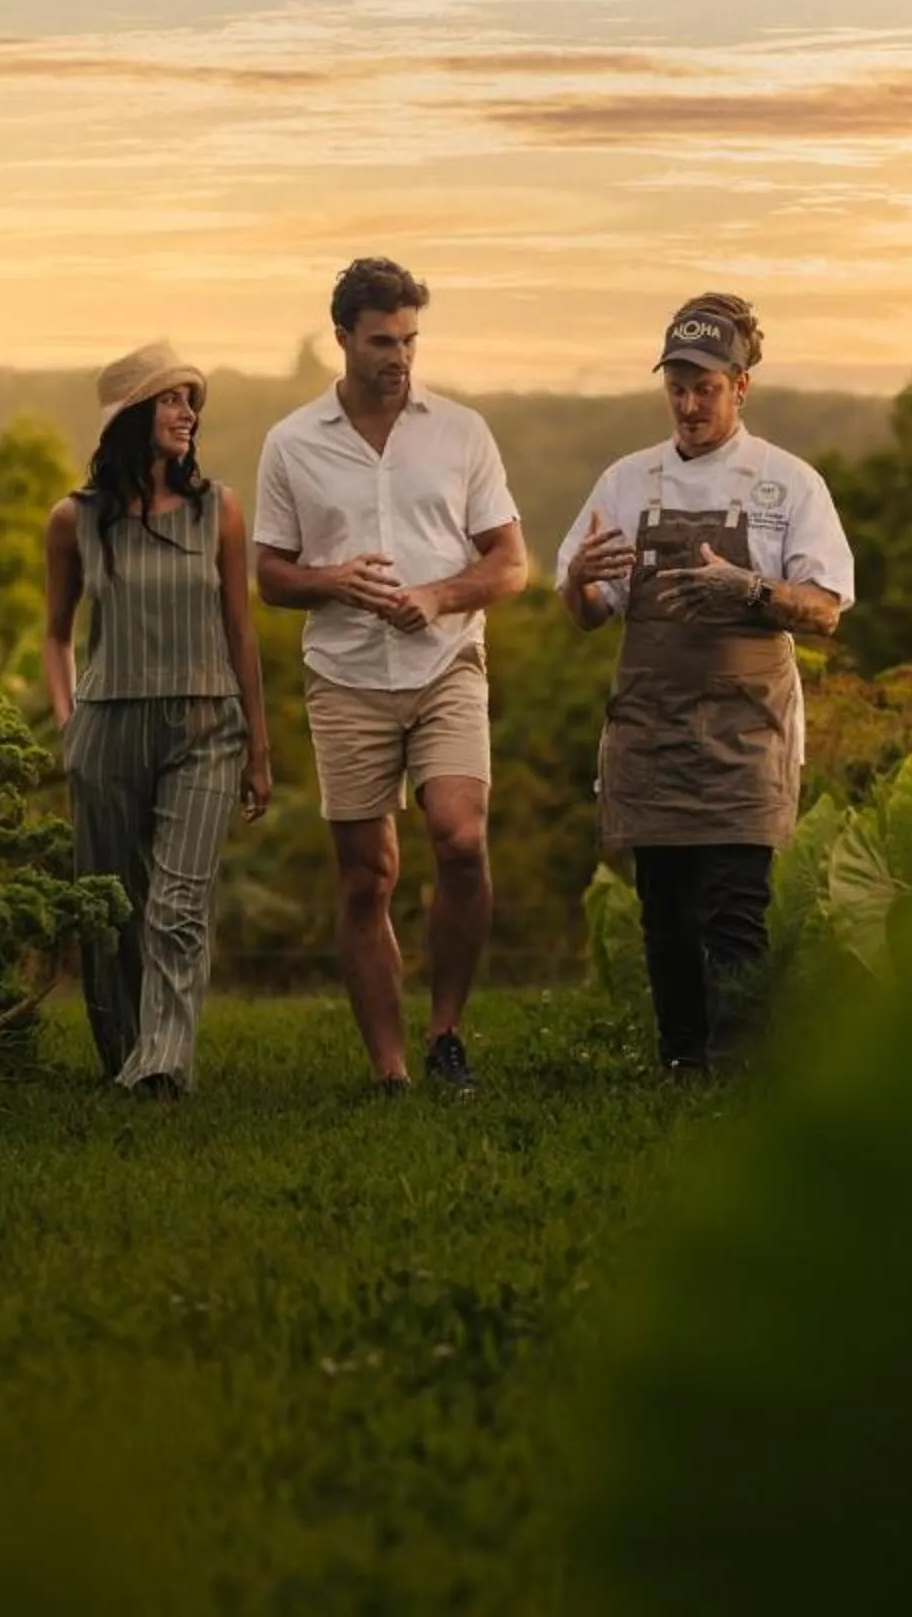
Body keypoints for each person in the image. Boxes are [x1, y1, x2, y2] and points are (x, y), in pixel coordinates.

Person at [555, 294, 854, 1077]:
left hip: (744, 729)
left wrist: (747, 591)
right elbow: (589, 614)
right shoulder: (627, 482)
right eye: (678, 388)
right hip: (650, 725)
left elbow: (824, 611)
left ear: (741, 385)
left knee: (733, 907)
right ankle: (683, 1063)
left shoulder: (789, 484)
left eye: (706, 388)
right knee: (667, 910)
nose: (689, 405)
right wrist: (578, 583)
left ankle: (742, 1068)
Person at [255, 257, 527, 1094]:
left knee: (461, 837)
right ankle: (391, 1068)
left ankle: (446, 1031)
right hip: (345, 678)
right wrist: (334, 582)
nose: (398, 356)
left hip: (446, 661)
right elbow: (267, 574)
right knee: (368, 875)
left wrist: (440, 595)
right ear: (342, 338)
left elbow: (511, 564)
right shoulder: (292, 443)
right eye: (381, 340)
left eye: (410, 338)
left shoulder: (460, 432)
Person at [44, 340, 273, 1101]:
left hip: (208, 726)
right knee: (111, 907)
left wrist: (260, 748)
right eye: (173, 400)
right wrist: (68, 721)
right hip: (107, 728)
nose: (187, 414)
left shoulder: (220, 510)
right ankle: (125, 1052)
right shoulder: (73, 520)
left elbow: (241, 632)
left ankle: (163, 1067)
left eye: (191, 401)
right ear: (134, 415)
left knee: (177, 905)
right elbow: (55, 634)